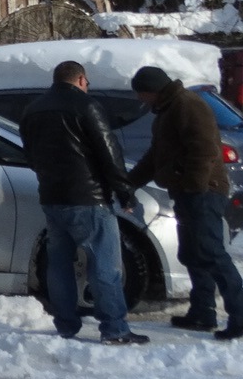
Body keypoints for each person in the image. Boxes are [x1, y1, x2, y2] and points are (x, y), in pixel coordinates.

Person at [17, 61, 150, 345]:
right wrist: (124, 192)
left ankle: (66, 325)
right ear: (79, 79)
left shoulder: (32, 110)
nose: (87, 86)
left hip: (52, 197)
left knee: (59, 264)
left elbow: (30, 156)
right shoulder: (86, 106)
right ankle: (114, 328)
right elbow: (109, 152)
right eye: (86, 81)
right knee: (105, 265)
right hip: (89, 198)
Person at [128, 66, 243, 340]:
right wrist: (130, 182)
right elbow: (157, 156)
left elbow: (204, 150)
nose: (141, 101)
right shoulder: (168, 110)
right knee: (192, 253)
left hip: (203, 192)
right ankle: (202, 312)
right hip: (187, 192)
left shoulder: (186, 105)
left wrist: (195, 187)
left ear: (152, 90)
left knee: (211, 252)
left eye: (142, 94)